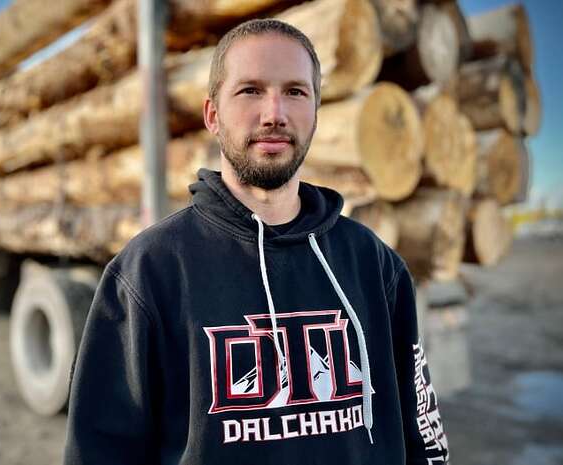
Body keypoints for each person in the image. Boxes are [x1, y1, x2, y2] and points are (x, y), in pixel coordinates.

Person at [64, 18, 450, 465]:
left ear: (316, 113)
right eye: (250, 91)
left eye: (295, 91)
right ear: (213, 115)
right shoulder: (148, 272)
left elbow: (424, 438)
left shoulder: (374, 265)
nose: (274, 114)